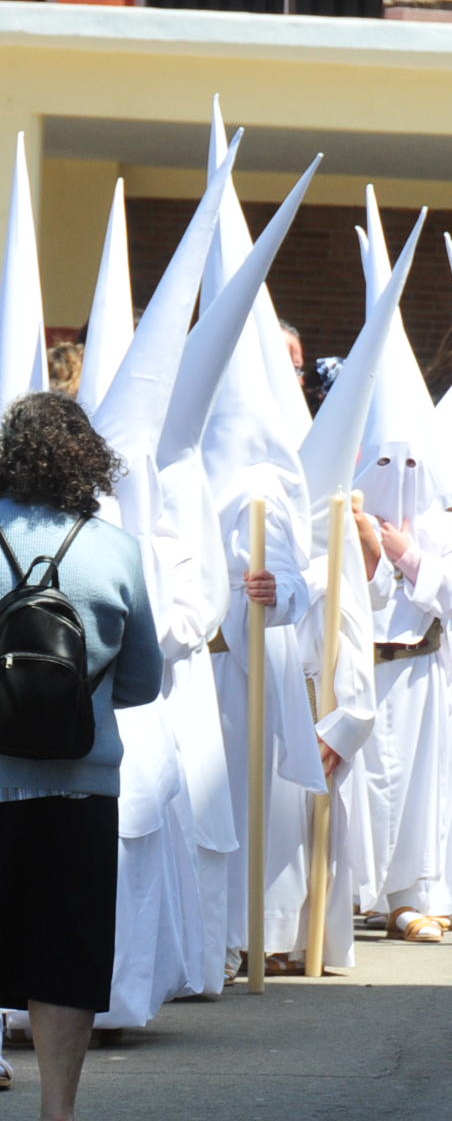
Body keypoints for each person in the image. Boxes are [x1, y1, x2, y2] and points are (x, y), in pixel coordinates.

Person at [0, 393, 164, 1121]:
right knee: (65, 959)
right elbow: (143, 682)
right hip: (81, 787)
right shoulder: (117, 550)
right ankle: (57, 1113)